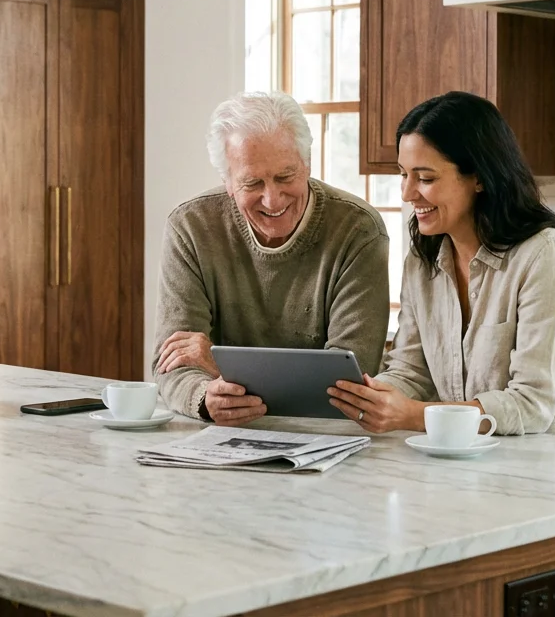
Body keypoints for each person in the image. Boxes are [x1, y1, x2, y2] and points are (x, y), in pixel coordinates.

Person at [327, 91, 555, 441]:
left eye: (425, 178)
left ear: (479, 177)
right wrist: (366, 398)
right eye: (403, 174)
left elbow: (531, 404)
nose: (407, 193)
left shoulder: (545, 255)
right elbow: (412, 372)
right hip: (488, 460)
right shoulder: (423, 259)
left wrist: (413, 415)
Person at [153, 92, 390, 426]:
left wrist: (216, 361)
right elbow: (172, 362)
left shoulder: (359, 229)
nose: (272, 198)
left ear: (307, 164)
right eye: (252, 182)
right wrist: (204, 397)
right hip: (223, 432)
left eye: (285, 176)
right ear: (228, 182)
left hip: (328, 433)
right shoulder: (190, 226)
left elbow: (349, 376)